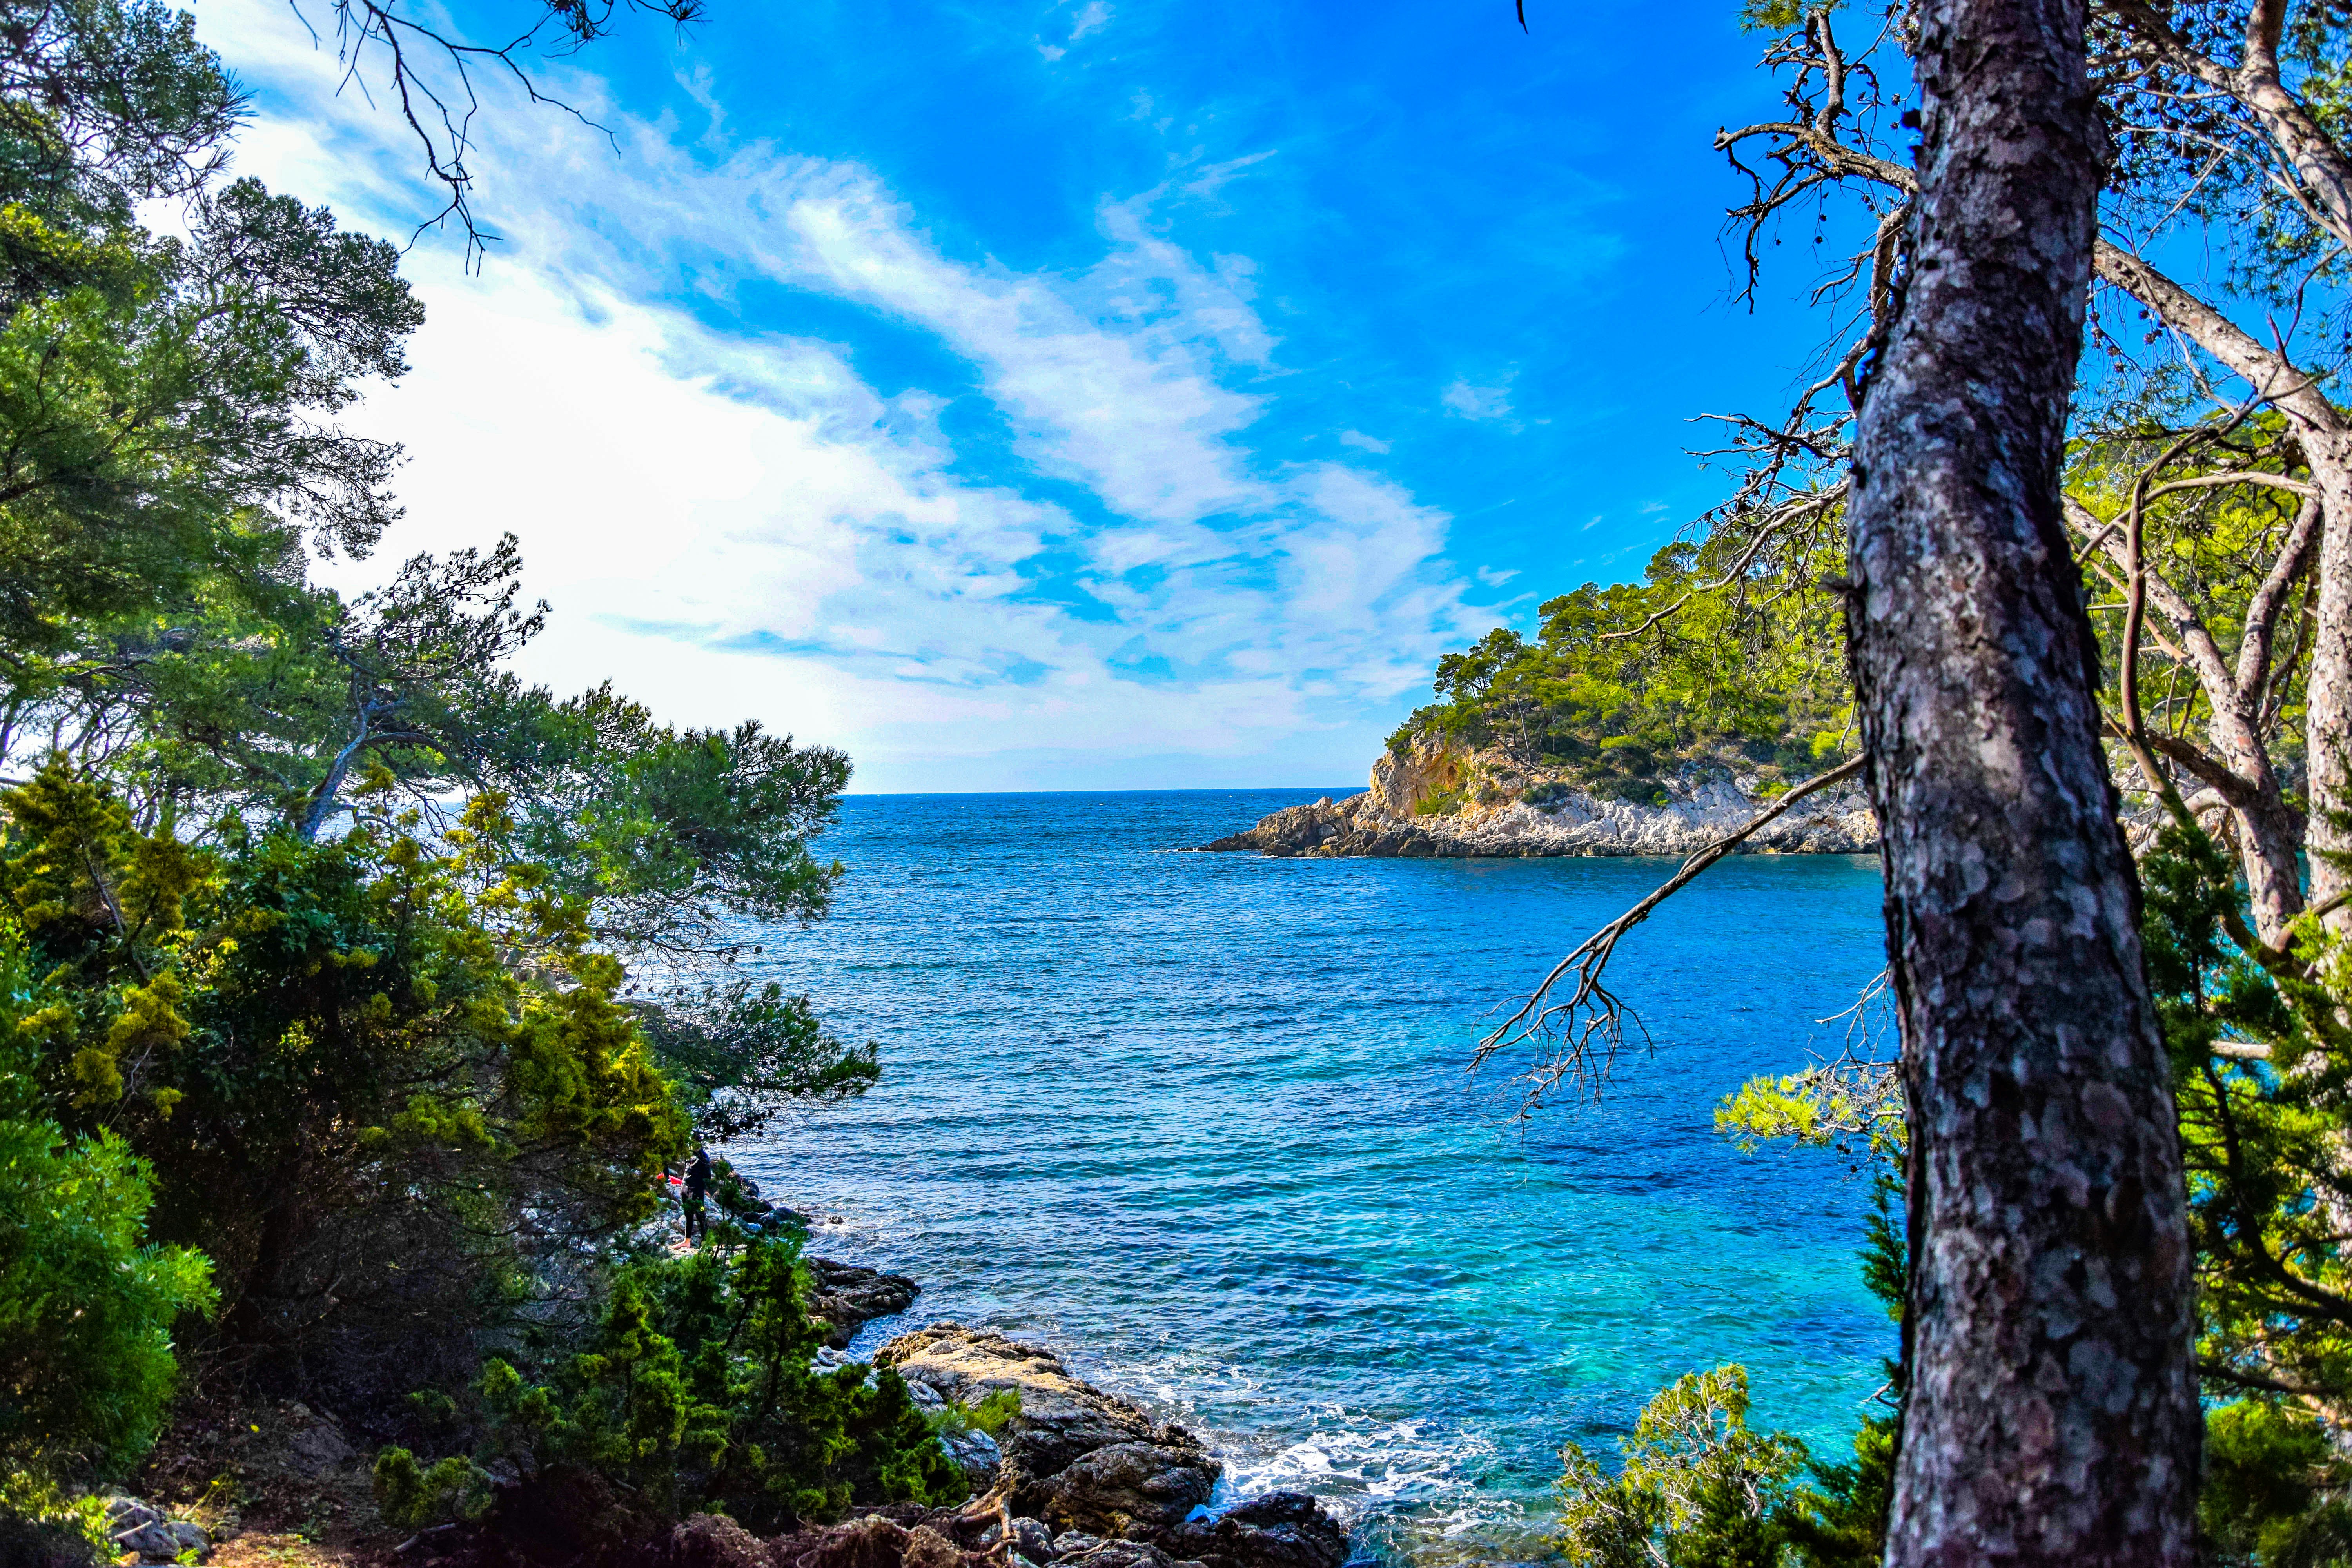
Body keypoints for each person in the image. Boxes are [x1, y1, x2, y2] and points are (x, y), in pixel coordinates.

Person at [682, 1143, 712, 1243]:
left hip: (698, 1193)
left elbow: (708, 1177)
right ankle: (687, 1241)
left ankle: (705, 1241)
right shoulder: (689, 1154)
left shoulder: (704, 1158)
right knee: (688, 1215)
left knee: (701, 1214)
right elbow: (686, 1171)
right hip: (685, 1190)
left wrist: (705, 1190)